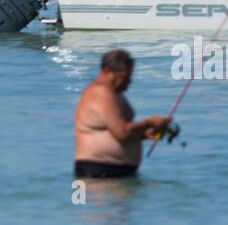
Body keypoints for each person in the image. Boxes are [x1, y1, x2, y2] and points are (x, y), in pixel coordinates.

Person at [73, 49, 173, 179]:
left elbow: (114, 130)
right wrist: (150, 122)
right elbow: (121, 132)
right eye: (125, 76)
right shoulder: (101, 92)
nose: (129, 81)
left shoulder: (114, 93)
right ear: (109, 71)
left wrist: (145, 134)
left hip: (114, 172)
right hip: (98, 171)